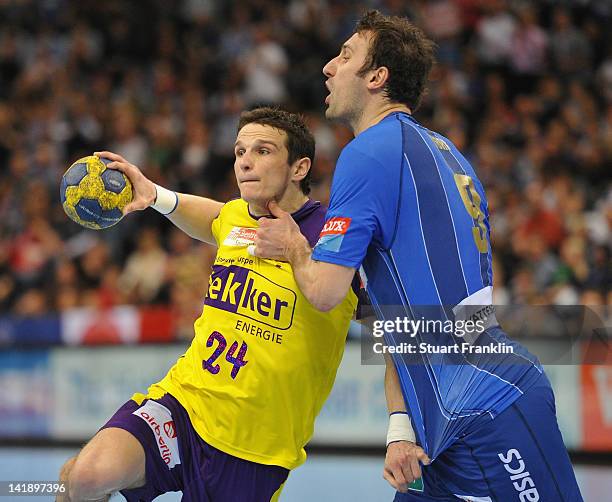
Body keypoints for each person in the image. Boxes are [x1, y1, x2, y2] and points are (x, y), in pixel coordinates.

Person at [251, 10, 583, 501]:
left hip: (484, 410)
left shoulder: (366, 154)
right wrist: (402, 428)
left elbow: (323, 292)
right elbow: (412, 318)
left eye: (345, 56)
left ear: (376, 77)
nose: (327, 66)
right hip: (446, 421)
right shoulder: (446, 151)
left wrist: (296, 247)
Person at [57, 107, 357, 502]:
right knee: (85, 477)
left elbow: (382, 316)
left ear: (299, 167)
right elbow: (213, 217)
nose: (245, 161)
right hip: (186, 402)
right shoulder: (236, 217)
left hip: (256, 450)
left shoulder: (334, 234)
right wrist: (156, 195)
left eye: (263, 151)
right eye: (239, 151)